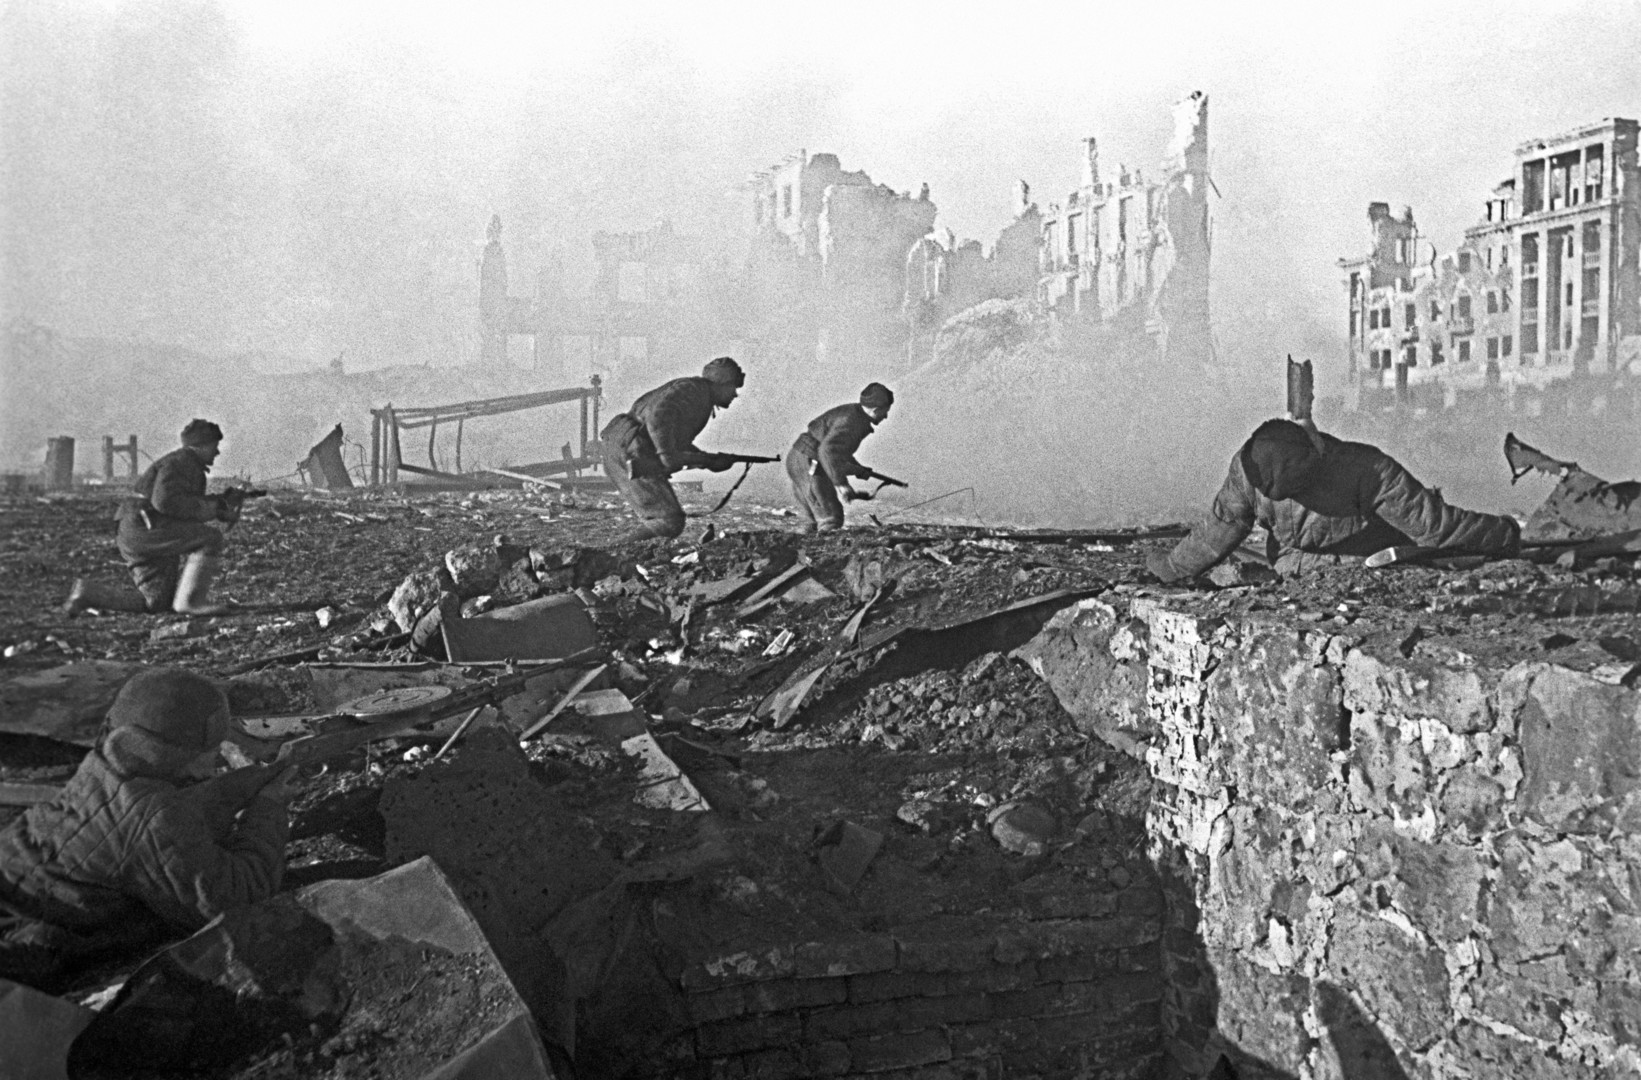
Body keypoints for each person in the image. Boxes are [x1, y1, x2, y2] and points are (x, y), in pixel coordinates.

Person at [0, 668, 298, 987]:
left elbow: (176, 809)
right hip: (20, 942)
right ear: (178, 756)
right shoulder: (156, 821)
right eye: (211, 753)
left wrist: (246, 785)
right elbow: (239, 897)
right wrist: (268, 807)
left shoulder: (108, 765)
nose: (215, 763)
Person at [1147, 418, 1521, 583]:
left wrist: (1170, 568)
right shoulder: (1365, 468)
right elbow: (1436, 529)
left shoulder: (1248, 466)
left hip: (1294, 565)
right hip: (1365, 564)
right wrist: (1505, 533)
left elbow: (1220, 528)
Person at [63, 418, 241, 616]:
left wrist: (220, 504)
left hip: (136, 529)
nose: (217, 452)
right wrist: (215, 509)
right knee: (210, 538)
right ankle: (191, 602)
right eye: (214, 446)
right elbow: (165, 502)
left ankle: (88, 593)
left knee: (156, 602)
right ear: (201, 445)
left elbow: (181, 502)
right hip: (145, 527)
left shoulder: (182, 462)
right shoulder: (182, 463)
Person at [600, 357, 745, 542]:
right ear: (721, 383)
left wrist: (709, 461)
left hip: (622, 445)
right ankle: (607, 554)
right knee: (668, 522)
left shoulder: (695, 392)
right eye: (733, 387)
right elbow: (659, 415)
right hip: (631, 448)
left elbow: (676, 442)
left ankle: (613, 553)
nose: (735, 394)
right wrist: (666, 454)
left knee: (665, 520)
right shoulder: (693, 392)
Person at [786, 382, 894, 533]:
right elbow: (827, 452)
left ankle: (805, 546)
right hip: (810, 463)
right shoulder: (851, 422)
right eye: (885, 412)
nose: (886, 416)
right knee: (830, 517)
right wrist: (841, 484)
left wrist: (859, 470)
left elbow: (838, 454)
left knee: (812, 520)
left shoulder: (852, 413)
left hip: (800, 458)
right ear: (876, 410)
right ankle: (822, 546)